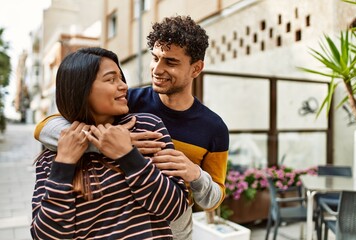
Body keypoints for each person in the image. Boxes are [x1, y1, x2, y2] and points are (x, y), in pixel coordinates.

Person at [34, 15, 229, 240]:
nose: (157, 69)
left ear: (196, 68)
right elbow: (44, 128)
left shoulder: (214, 128)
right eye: (155, 58)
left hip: (175, 233)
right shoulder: (126, 103)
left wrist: (195, 175)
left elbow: (214, 198)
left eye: (171, 62)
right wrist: (101, 143)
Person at [31, 47, 189, 240]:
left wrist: (128, 156)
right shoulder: (54, 154)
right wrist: (64, 163)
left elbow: (175, 208)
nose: (123, 86)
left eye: (121, 78)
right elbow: (46, 236)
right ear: (81, 89)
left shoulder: (146, 129)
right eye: (111, 79)